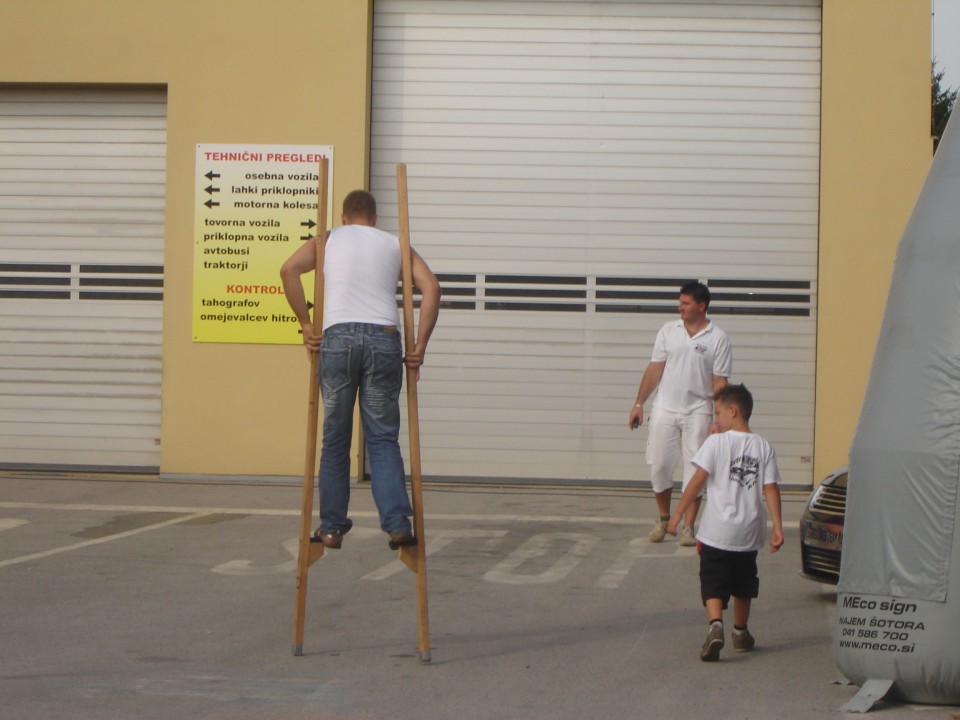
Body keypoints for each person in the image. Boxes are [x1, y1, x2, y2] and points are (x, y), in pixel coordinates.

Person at [280, 189, 441, 550]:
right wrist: (420, 348)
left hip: (337, 340)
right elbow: (432, 288)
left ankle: (332, 527)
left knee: (335, 439)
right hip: (384, 340)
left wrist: (306, 324)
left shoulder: (327, 239)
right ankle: (397, 524)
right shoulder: (395, 244)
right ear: (374, 219)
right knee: (382, 438)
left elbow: (288, 270)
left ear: (343, 217)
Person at [666, 384, 783, 661]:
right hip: (748, 532)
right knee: (744, 583)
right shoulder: (763, 446)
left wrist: (678, 513)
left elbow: (697, 481)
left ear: (733, 411)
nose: (715, 420)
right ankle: (740, 632)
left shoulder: (715, 443)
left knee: (712, 579)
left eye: (717, 413)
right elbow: (770, 488)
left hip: (716, 531)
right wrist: (778, 526)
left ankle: (715, 625)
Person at [627, 281, 731, 546]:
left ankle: (688, 526)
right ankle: (663, 519)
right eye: (680, 302)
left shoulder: (717, 338)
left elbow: (720, 382)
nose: (680, 307)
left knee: (695, 469)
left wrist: (719, 419)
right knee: (660, 466)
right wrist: (639, 403)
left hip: (698, 411)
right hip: (665, 409)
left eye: (685, 303)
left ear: (701, 306)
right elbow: (654, 370)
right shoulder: (668, 331)